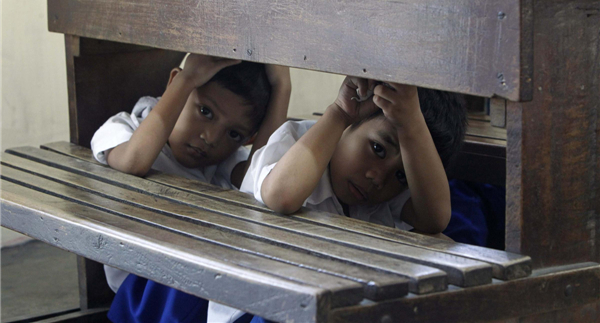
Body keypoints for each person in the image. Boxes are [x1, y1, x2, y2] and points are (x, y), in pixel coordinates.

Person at [91, 53, 291, 323]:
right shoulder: (125, 128)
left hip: (205, 284)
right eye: (205, 112)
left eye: (233, 134)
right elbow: (133, 162)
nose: (210, 138)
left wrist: (282, 88)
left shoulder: (226, 163)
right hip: (142, 289)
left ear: (249, 139)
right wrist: (187, 80)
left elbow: (260, 178)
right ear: (175, 84)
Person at [241, 76, 467, 235]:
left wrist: (413, 127)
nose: (378, 179)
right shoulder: (293, 142)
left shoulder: (386, 197)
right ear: (353, 122)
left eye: (402, 176)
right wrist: (340, 113)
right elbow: (282, 196)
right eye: (378, 149)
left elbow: (435, 220)